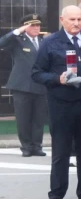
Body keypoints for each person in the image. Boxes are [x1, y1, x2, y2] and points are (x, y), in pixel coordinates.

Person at [31, 5, 81, 199]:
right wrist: (57, 79)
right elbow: (37, 73)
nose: (76, 23)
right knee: (61, 152)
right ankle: (56, 195)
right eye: (72, 19)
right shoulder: (50, 42)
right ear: (62, 19)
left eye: (79, 20)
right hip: (61, 104)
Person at [1, 14, 48, 157]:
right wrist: (18, 31)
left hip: (40, 85)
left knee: (38, 118)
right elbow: (1, 43)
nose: (36, 28)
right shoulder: (18, 41)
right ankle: (26, 146)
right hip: (22, 85)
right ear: (24, 27)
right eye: (32, 25)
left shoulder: (43, 40)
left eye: (38, 25)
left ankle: (37, 146)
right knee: (23, 118)